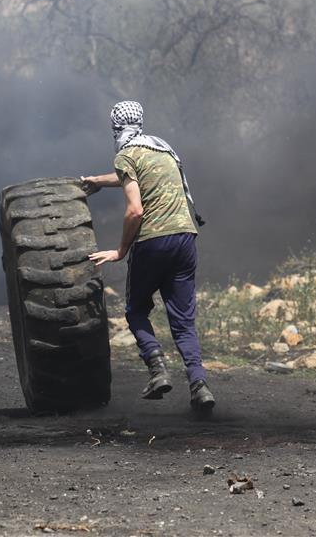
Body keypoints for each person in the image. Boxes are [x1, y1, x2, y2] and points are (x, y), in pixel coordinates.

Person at [81, 101, 215, 413]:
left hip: (153, 242)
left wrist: (121, 250)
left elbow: (135, 209)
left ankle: (157, 371)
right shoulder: (163, 150)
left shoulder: (126, 154)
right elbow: (134, 176)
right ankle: (199, 385)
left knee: (136, 310)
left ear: (116, 129)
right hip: (185, 238)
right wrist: (98, 181)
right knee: (183, 322)